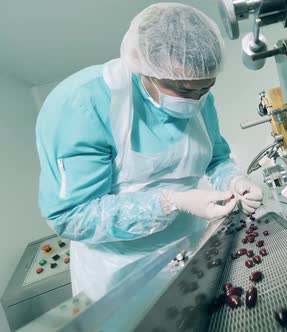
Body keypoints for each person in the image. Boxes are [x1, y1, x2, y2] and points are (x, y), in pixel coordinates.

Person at [35, 3, 263, 301]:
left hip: (192, 248)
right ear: (144, 68)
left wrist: (233, 180)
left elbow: (216, 158)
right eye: (183, 91)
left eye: (205, 89)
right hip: (119, 271)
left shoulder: (199, 96)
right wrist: (170, 202)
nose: (195, 101)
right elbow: (71, 216)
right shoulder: (83, 104)